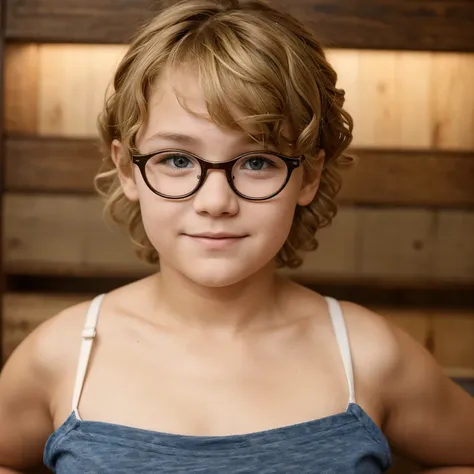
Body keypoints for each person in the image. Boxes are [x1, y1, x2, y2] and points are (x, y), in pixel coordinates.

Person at [0, 0, 473, 472]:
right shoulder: (61, 354)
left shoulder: (370, 355)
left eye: (257, 162)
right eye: (178, 160)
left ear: (308, 176)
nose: (216, 201)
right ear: (127, 169)